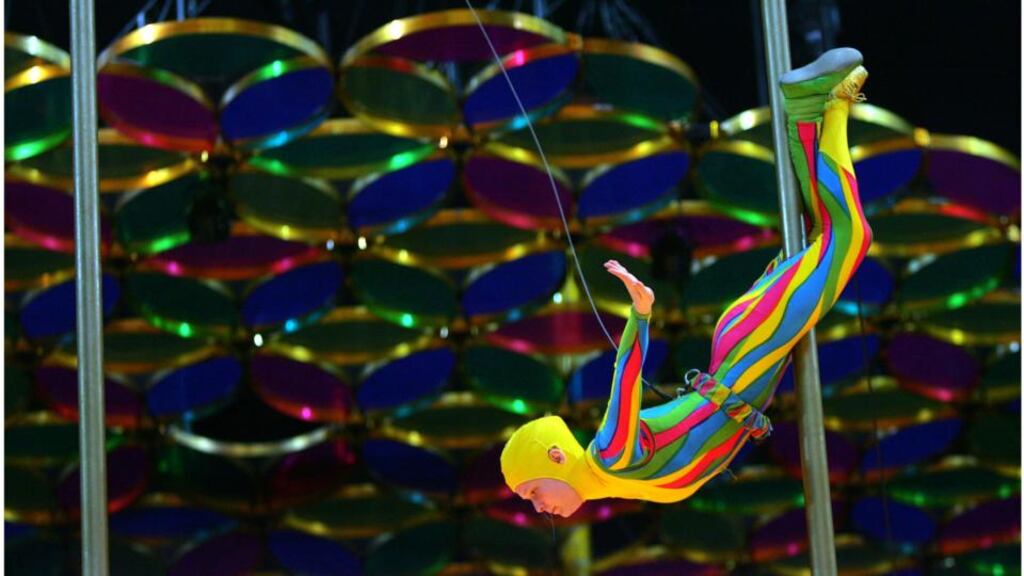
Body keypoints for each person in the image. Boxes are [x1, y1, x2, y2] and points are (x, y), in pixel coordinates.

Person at [500, 47, 873, 517]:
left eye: (533, 492)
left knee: (849, 237)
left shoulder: (610, 457)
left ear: (555, 457)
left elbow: (626, 379)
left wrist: (640, 315)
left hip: (750, 347)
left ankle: (830, 106)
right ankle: (808, 106)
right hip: (746, 350)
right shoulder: (616, 479)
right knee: (820, 233)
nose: (537, 508)